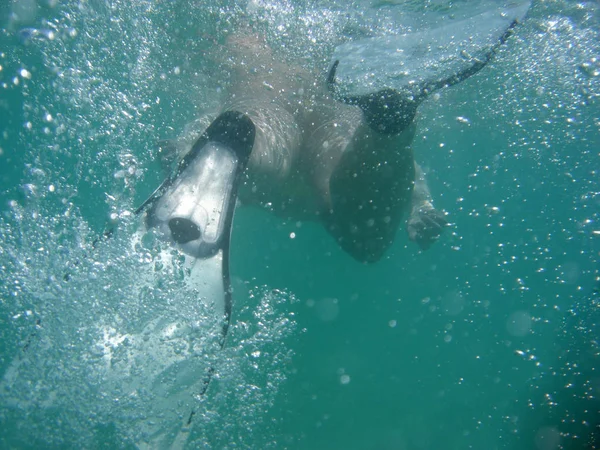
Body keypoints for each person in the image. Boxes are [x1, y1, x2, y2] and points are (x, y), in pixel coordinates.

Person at [159, 28, 450, 264]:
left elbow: (212, 117)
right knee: (365, 241)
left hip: (266, 105)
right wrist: (421, 206)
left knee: (258, 127)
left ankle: (225, 153)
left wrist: (185, 146)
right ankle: (387, 125)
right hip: (334, 123)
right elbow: (409, 173)